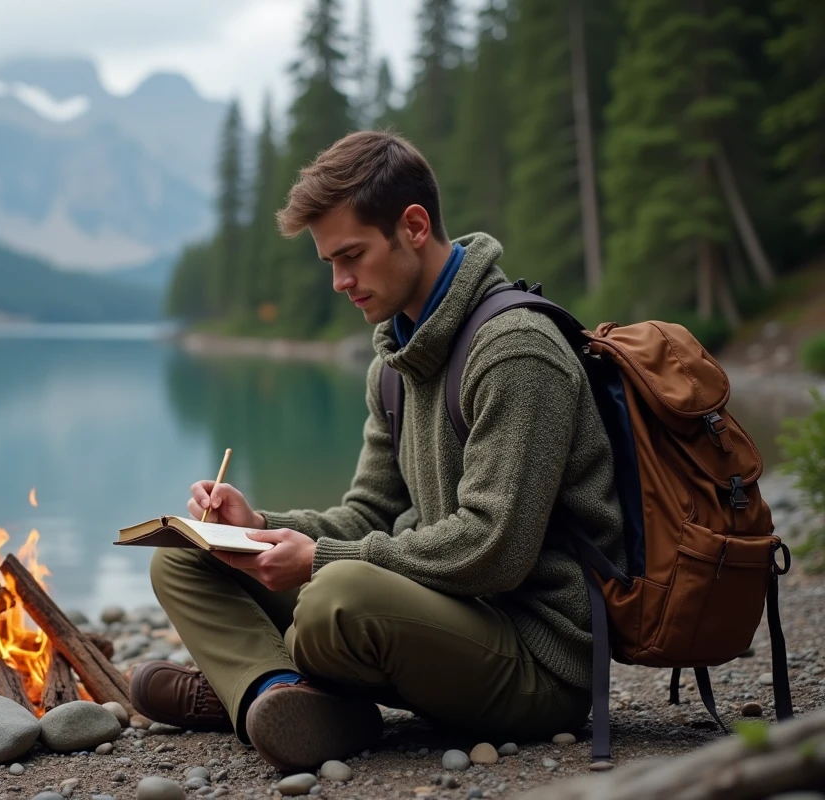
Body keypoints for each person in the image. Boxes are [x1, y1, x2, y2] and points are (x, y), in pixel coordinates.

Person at [129, 130, 625, 772]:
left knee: (337, 600)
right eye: (330, 263)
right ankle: (277, 697)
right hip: (444, 616)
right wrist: (257, 529)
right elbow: (367, 513)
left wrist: (322, 560)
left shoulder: (516, 352)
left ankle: (266, 688)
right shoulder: (395, 362)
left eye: (352, 256)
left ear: (413, 227)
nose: (339, 281)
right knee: (185, 559)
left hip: (536, 659)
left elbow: (494, 550)